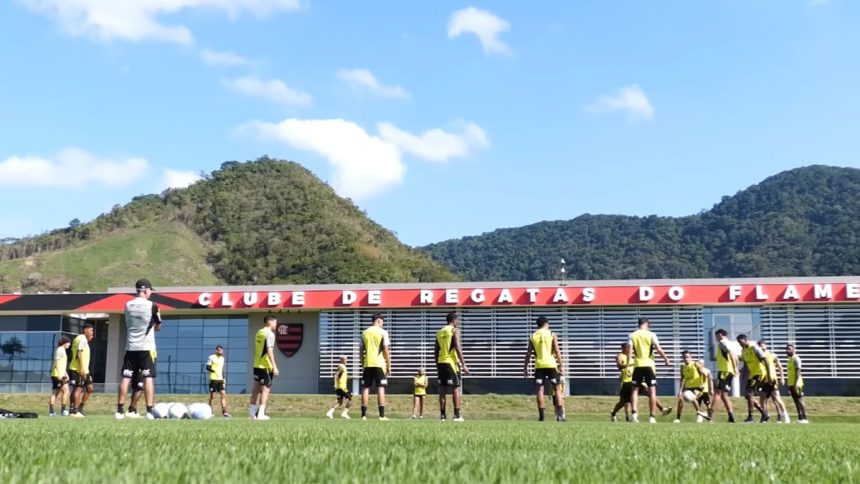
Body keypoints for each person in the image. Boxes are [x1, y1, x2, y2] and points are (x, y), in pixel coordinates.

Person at [116, 279, 162, 420]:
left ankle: (119, 410)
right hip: (146, 348)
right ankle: (149, 410)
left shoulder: (127, 305)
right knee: (148, 377)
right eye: (150, 291)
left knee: (126, 377)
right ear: (146, 290)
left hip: (131, 347)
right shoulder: (153, 305)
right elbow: (158, 326)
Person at [627, 318, 671, 423]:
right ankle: (652, 417)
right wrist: (666, 358)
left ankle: (634, 415)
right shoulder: (652, 334)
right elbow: (658, 348)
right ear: (647, 324)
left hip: (637, 365)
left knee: (634, 390)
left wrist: (628, 365)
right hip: (649, 365)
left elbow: (630, 351)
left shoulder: (632, 335)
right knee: (652, 391)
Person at [523, 316, 565, 422]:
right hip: (551, 364)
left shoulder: (532, 336)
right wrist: (561, 365)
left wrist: (525, 367)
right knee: (557, 389)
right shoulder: (551, 334)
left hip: (539, 365)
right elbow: (556, 350)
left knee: (540, 390)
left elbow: (528, 353)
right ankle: (560, 416)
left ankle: (542, 416)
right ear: (546, 324)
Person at [436, 312, 469, 422]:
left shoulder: (439, 332)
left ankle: (442, 416)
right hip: (451, 362)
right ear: (454, 320)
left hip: (441, 362)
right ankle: (457, 415)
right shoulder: (455, 330)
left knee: (442, 388)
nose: (458, 322)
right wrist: (464, 364)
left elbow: (436, 350)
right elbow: (458, 346)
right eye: (457, 320)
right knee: (456, 387)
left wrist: (437, 363)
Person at [360, 313, 391, 421]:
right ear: (378, 320)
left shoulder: (364, 333)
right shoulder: (383, 332)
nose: (383, 324)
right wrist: (389, 365)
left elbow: (361, 350)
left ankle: (363, 416)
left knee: (365, 388)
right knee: (381, 388)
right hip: (380, 364)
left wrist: (362, 362)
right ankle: (381, 416)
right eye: (382, 322)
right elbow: (386, 350)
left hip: (367, 364)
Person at [250, 315, 279, 420]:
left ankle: (252, 415)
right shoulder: (270, 334)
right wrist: (274, 366)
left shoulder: (258, 332)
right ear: (269, 322)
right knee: (266, 390)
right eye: (275, 322)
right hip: (265, 365)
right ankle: (261, 415)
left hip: (256, 365)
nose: (276, 324)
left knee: (255, 390)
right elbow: (269, 350)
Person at [708, 328, 739, 423]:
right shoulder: (730, 344)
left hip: (724, 371)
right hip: (728, 372)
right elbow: (736, 358)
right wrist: (735, 368)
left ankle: (710, 415)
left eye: (716, 336)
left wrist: (735, 368)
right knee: (724, 395)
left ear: (720, 335)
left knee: (717, 393)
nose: (716, 338)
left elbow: (732, 356)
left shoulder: (722, 343)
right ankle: (731, 417)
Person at [737, 334, 767, 423]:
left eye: (741, 342)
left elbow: (766, 360)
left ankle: (750, 417)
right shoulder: (743, 350)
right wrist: (743, 374)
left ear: (745, 340)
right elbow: (746, 364)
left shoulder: (754, 348)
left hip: (759, 373)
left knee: (750, 394)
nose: (740, 344)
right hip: (752, 375)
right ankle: (764, 414)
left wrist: (768, 375)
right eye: (739, 342)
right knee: (747, 396)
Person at [757, 340, 789, 423]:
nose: (760, 347)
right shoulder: (757, 355)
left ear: (765, 346)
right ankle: (765, 416)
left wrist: (782, 378)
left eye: (762, 345)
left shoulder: (772, 355)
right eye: (759, 345)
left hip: (772, 379)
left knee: (777, 398)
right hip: (762, 380)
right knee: (762, 399)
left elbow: (780, 367)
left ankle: (785, 416)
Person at [674, 350, 709, 423]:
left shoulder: (696, 364)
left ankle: (699, 415)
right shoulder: (683, 367)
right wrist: (680, 391)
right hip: (688, 387)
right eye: (684, 357)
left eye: (687, 357)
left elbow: (705, 374)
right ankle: (678, 418)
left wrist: (703, 384)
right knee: (681, 399)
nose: (686, 359)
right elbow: (682, 379)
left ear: (690, 357)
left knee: (692, 398)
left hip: (698, 387)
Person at [69, 323, 95, 418]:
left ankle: (79, 408)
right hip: (79, 368)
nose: (92, 333)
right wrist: (81, 368)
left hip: (85, 370)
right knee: (78, 388)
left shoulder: (78, 338)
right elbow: (79, 353)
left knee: (90, 388)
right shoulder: (82, 339)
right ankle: (75, 411)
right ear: (85, 330)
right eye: (91, 330)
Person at [610, 343, 634, 422]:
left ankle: (631, 417)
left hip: (632, 381)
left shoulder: (631, 356)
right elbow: (619, 366)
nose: (629, 349)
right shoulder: (619, 356)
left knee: (632, 399)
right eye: (627, 348)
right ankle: (613, 413)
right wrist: (628, 365)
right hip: (624, 381)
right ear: (623, 348)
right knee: (623, 402)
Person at [786, 344, 809, 424]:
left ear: (794, 349)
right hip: (791, 383)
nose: (787, 350)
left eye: (789, 349)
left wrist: (796, 384)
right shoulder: (789, 360)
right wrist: (789, 385)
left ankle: (805, 418)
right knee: (795, 401)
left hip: (797, 384)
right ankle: (800, 418)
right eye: (786, 349)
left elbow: (798, 372)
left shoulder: (796, 359)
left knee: (800, 400)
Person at [49, 336, 71, 417]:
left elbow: (62, 364)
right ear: (64, 343)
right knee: (66, 391)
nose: (69, 344)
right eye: (68, 343)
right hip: (58, 374)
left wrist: (66, 373)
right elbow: (57, 363)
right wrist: (59, 375)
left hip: (60, 373)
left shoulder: (62, 350)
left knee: (55, 392)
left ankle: (52, 411)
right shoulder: (60, 350)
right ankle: (63, 410)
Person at [207, 345, 231, 418]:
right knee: (212, 396)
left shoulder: (222, 359)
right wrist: (213, 371)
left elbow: (221, 369)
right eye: (219, 350)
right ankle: (210, 411)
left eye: (222, 350)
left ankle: (224, 412)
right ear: (216, 350)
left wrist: (224, 378)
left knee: (223, 394)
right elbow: (207, 367)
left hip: (220, 379)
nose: (221, 352)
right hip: (213, 379)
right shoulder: (211, 357)